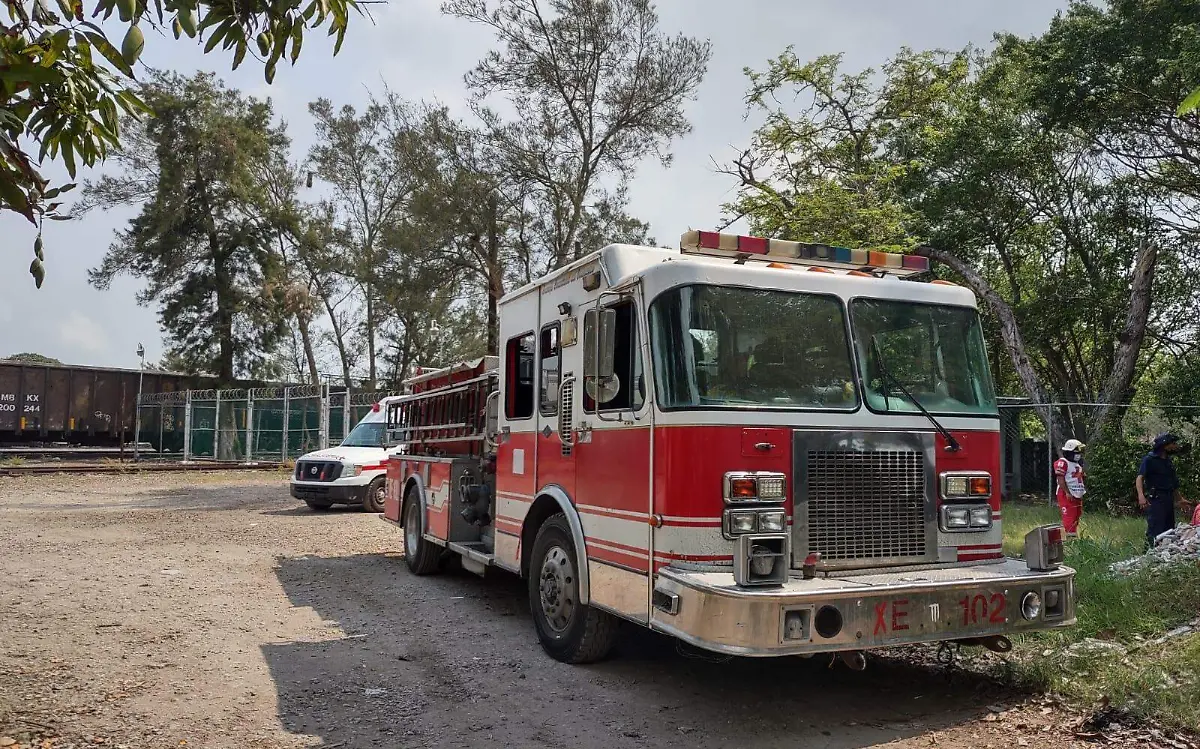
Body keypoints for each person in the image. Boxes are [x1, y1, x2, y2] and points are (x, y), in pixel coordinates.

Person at [1136, 433, 1190, 549]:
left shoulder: (1168, 462)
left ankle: (1164, 555)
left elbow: (1173, 484)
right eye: (1173, 444)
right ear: (1164, 445)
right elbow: (1140, 478)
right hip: (1156, 499)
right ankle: (1148, 554)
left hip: (1168, 498)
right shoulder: (1149, 460)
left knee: (1169, 530)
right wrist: (1141, 496)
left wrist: (1180, 499)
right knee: (1155, 528)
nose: (1175, 446)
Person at [1054, 439, 1087, 538]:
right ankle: (1070, 541)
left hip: (1077, 494)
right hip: (1067, 493)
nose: (1078, 455)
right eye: (1076, 453)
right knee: (1069, 517)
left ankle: (1073, 537)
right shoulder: (1063, 462)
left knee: (1076, 516)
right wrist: (1067, 492)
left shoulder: (1077, 464)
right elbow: (1061, 479)